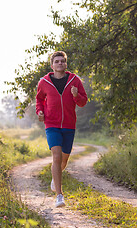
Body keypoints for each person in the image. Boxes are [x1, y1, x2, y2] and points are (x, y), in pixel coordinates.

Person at [36, 51, 88, 207]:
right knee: (56, 156)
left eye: (62, 61)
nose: (60, 63)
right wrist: (40, 111)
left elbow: (83, 102)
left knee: (64, 160)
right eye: (57, 61)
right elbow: (39, 100)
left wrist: (76, 95)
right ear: (52, 65)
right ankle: (59, 195)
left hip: (69, 125)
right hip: (51, 124)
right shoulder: (44, 82)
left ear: (66, 64)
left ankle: (55, 177)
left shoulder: (75, 81)